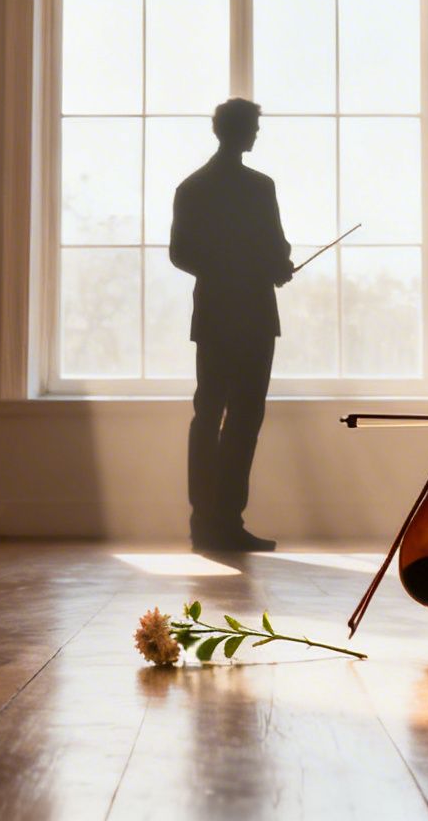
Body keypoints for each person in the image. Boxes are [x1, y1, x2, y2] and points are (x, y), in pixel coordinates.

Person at [169, 98, 294, 553]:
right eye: (254, 127)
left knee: (215, 416)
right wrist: (269, 266)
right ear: (238, 131)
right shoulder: (259, 187)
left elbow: (183, 254)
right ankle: (219, 522)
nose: (257, 134)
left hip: (221, 313)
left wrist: (273, 263)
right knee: (238, 419)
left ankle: (211, 523)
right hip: (250, 313)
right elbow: (272, 248)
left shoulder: (194, 187)